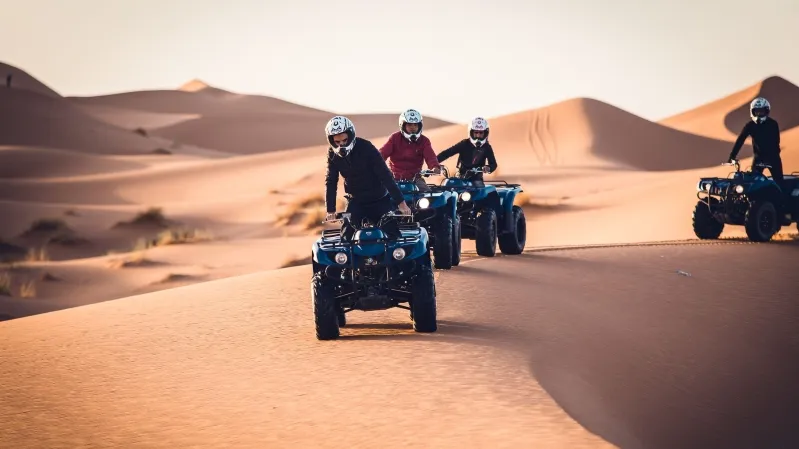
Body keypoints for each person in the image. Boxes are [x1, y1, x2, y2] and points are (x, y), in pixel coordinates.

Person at [324, 115, 412, 234]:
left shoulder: (366, 147)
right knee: (346, 236)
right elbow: (331, 181)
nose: (341, 145)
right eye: (337, 142)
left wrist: (401, 203)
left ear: (351, 135)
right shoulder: (332, 154)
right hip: (356, 201)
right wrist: (331, 210)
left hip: (379, 199)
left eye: (344, 140)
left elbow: (385, 175)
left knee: (393, 235)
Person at [728, 97, 784, 193]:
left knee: (780, 185)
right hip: (758, 158)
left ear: (766, 111)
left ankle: (784, 206)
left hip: (773, 158)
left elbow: (776, 143)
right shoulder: (750, 125)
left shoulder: (773, 124)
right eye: (756, 111)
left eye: (761, 111)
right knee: (752, 186)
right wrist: (732, 156)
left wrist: (772, 158)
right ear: (752, 112)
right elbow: (740, 140)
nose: (759, 114)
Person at [379, 109, 441, 191]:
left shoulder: (424, 141)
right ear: (403, 125)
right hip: (394, 179)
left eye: (415, 125)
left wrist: (435, 167)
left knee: (428, 196)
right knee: (380, 195)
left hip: (415, 179)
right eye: (409, 125)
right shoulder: (395, 138)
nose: (413, 127)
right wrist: (377, 165)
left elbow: (431, 157)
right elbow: (381, 154)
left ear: (420, 126)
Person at [436, 116, 498, 185]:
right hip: (460, 178)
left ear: (485, 133)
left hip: (476, 180)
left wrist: (488, 168)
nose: (478, 135)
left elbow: (493, 164)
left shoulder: (487, 147)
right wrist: (435, 163)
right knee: (447, 187)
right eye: (476, 132)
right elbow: (447, 153)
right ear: (471, 132)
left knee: (480, 192)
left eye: (481, 133)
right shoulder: (464, 144)